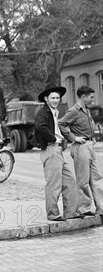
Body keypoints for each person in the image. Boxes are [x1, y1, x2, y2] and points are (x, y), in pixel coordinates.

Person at [33, 84, 80, 222]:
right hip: (51, 149)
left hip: (57, 150)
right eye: (53, 98)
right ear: (46, 99)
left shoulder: (53, 111)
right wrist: (54, 138)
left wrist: (62, 140)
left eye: (57, 98)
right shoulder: (43, 112)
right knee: (54, 184)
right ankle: (53, 214)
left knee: (70, 180)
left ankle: (71, 212)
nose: (55, 100)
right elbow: (40, 127)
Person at [58, 86, 103, 217]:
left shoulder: (87, 110)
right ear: (83, 97)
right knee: (83, 180)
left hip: (90, 146)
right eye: (91, 97)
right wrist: (73, 138)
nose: (93, 100)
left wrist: (93, 137)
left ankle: (101, 208)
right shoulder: (74, 111)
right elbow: (61, 124)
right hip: (80, 147)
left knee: (97, 178)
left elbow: (88, 126)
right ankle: (84, 208)